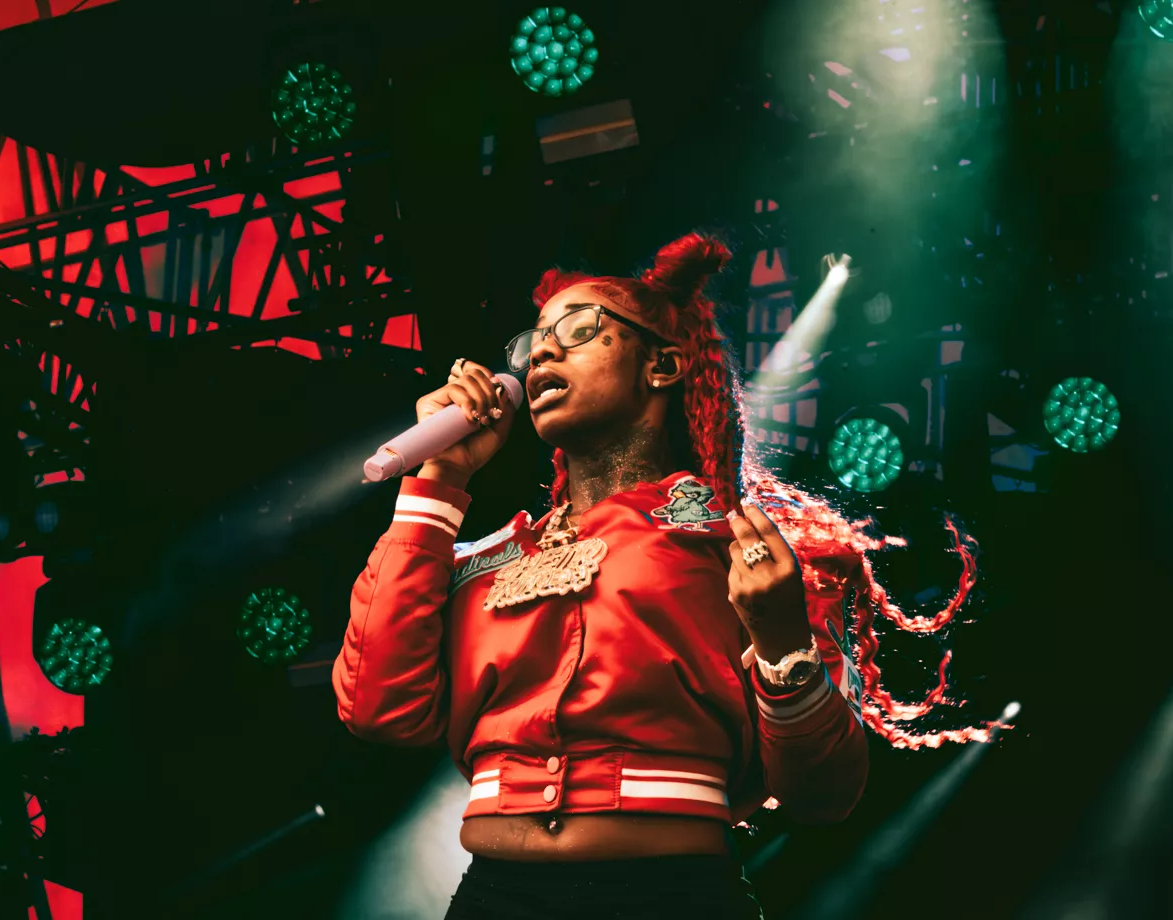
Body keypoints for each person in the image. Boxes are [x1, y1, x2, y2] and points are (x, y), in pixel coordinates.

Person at [332, 232, 872, 919]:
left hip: (672, 900)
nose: (542, 353)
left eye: (578, 329)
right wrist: (438, 478)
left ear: (663, 365)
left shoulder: (743, 549)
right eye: (535, 342)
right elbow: (380, 711)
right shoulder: (484, 559)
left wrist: (783, 642)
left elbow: (825, 795)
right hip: (492, 899)